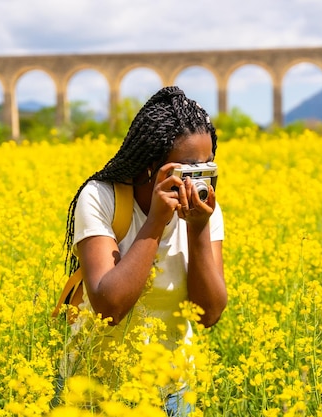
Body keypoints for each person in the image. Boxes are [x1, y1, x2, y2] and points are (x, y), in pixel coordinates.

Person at [56, 86, 227, 415]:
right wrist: (156, 222)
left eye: (207, 167)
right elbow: (109, 308)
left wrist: (198, 227)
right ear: (151, 165)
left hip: (171, 390)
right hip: (96, 388)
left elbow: (209, 314)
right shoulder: (101, 197)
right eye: (187, 169)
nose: (198, 180)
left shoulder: (205, 211)